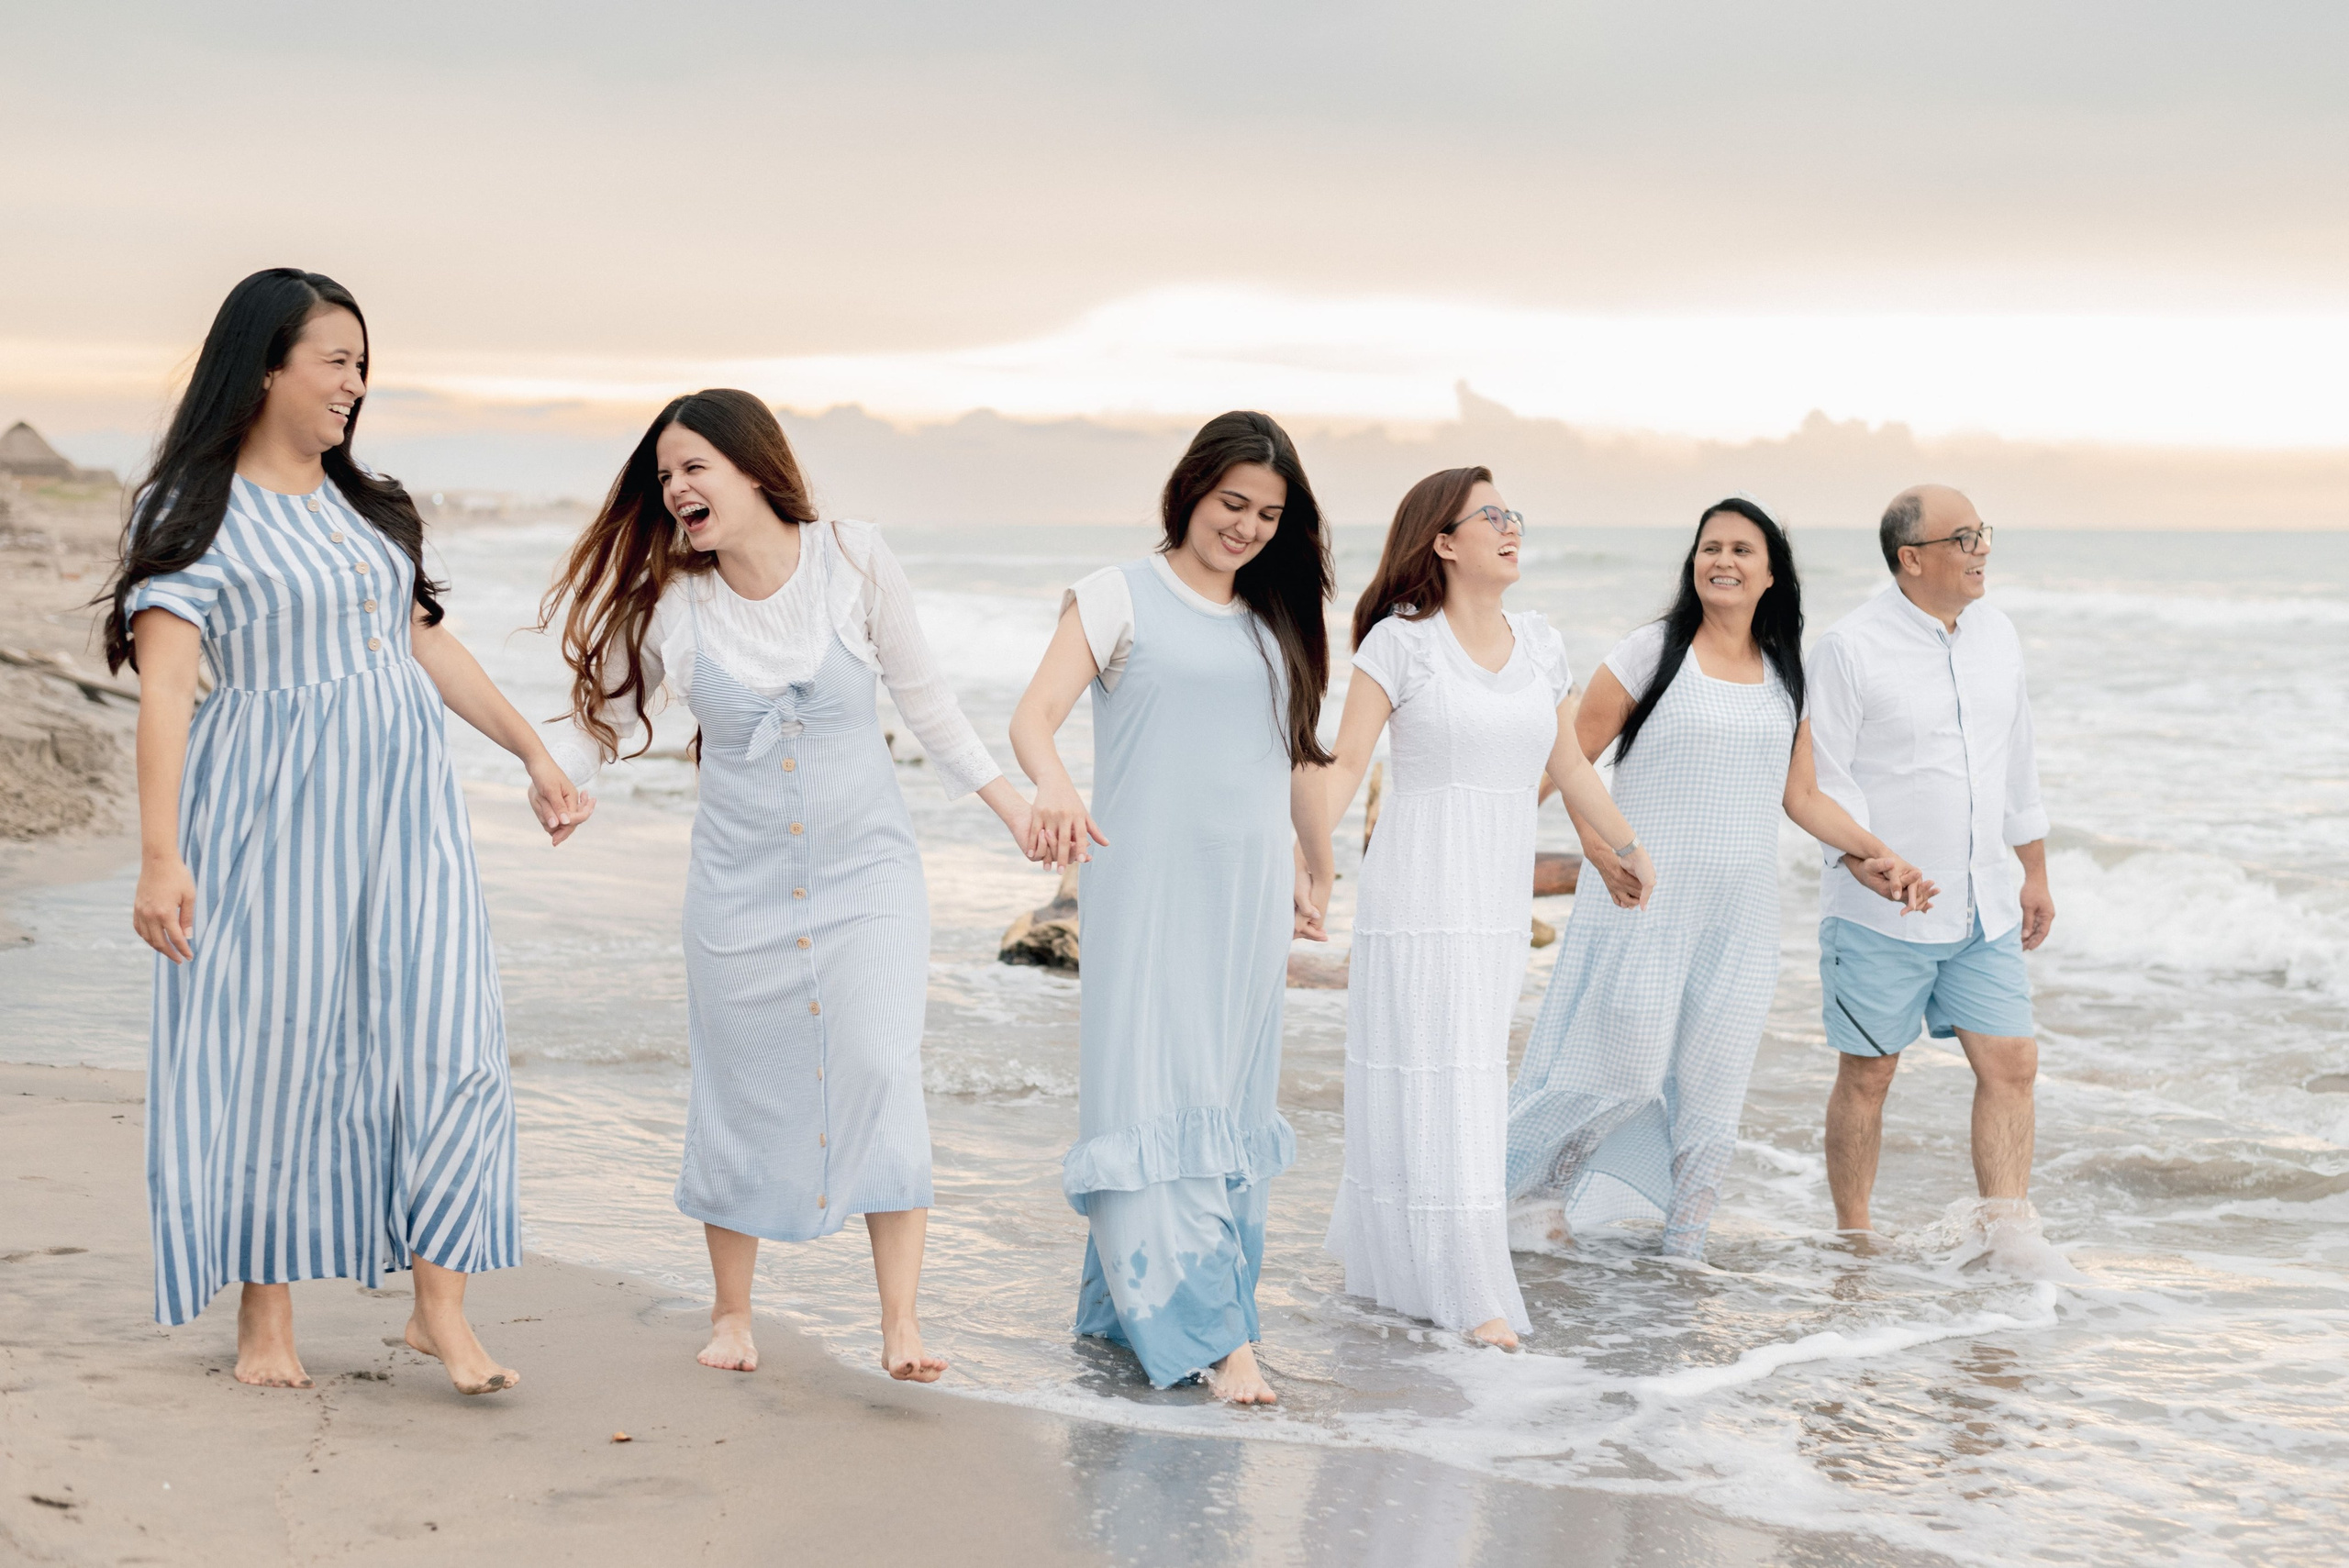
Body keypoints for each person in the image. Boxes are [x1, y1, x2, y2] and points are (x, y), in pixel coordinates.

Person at [106, 269, 589, 1394]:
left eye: (363, 364)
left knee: (450, 1036)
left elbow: (425, 640)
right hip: (266, 815)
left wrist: (533, 751)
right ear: (265, 365)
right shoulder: (192, 509)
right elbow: (169, 691)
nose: (355, 384)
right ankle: (264, 1324)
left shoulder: (369, 505)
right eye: (336, 360)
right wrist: (161, 854)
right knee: (278, 1048)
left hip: (405, 812)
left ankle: (440, 1309)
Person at [540, 389, 1033, 1381]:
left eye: (694, 467)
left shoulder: (852, 559)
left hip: (869, 877)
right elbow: (612, 722)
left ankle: (900, 1322)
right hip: (737, 887)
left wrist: (1016, 810)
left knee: (881, 1065)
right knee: (738, 1080)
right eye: (665, 474)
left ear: (754, 466)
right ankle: (733, 1315)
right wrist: (558, 783)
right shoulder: (678, 606)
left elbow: (929, 705)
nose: (676, 488)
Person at [1507, 498, 1934, 1260]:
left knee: (1712, 1088)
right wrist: (1579, 846)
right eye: (1711, 547)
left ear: (1772, 574)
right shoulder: (1651, 651)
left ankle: (1686, 1250)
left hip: (1740, 920)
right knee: (1616, 1070)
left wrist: (1880, 855)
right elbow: (1563, 762)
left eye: (1742, 549)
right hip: (1643, 907)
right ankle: (1525, 1205)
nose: (1723, 561)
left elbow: (1800, 796)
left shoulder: (1785, 675)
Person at [1010, 411, 1335, 1405]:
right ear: (1190, 490)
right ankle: (1207, 1332)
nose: (1245, 527)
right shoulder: (1120, 594)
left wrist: (1315, 865)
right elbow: (1032, 717)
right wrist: (1056, 789)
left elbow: (1293, 755)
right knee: (1151, 1090)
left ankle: (1128, 1315)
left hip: (1243, 896)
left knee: (1225, 1101)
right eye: (1232, 502)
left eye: (1268, 514)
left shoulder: (1275, 618)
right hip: (1147, 883)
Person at [1316, 468, 1655, 1348]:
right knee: (1440, 1075)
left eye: (1514, 515)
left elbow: (1573, 767)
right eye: (1491, 516)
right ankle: (1469, 1291)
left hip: (1492, 897)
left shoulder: (1538, 643)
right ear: (1443, 540)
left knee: (1467, 1072)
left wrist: (1621, 845)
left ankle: (1408, 1269)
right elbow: (1345, 769)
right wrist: (1303, 858)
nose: (1511, 528)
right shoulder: (1400, 644)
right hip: (1418, 890)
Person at [1809, 484, 2052, 1240]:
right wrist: (1863, 860)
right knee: (1870, 1074)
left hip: (1986, 903)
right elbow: (1822, 778)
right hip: (1883, 910)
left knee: (2012, 1066)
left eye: (1983, 532)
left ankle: (2006, 1234)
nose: (1982, 548)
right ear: (1911, 558)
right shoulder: (1850, 648)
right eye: (1964, 537)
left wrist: (2034, 870)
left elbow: (2018, 758)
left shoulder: (1998, 634)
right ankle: (1855, 1238)